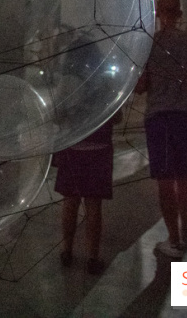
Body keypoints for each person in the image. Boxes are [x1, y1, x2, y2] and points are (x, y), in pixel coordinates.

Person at [135, 0, 187, 259]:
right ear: (179, 13)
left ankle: (174, 239)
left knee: (165, 179)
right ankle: (184, 226)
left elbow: (141, 86)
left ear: (157, 13)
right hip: (185, 115)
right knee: (183, 175)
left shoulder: (149, 44)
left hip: (158, 116)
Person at [54, 111, 121, 275]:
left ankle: (67, 251)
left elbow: (59, 113)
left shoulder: (69, 84)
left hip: (73, 146)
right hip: (99, 148)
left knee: (70, 201)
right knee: (94, 204)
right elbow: (117, 117)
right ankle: (92, 258)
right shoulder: (108, 85)